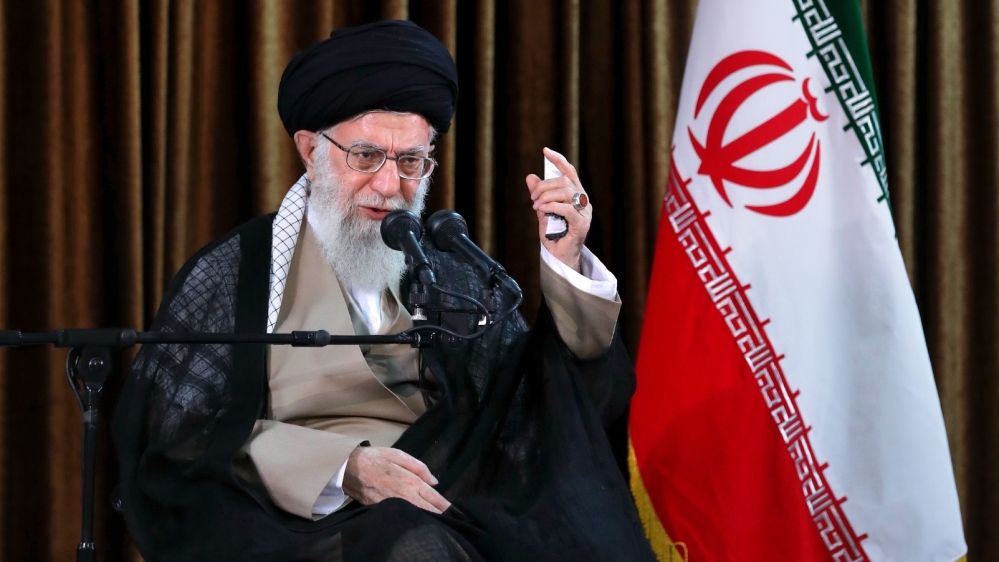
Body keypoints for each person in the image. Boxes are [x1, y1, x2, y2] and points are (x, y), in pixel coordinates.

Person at [113, 20, 655, 562]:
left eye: (411, 161)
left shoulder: (451, 271)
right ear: (310, 149)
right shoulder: (239, 272)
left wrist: (565, 265)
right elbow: (177, 436)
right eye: (366, 156)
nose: (390, 185)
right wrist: (342, 467)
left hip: (448, 501)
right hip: (295, 528)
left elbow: (545, 407)